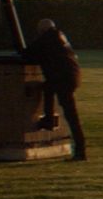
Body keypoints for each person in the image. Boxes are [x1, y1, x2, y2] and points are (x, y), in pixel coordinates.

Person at [24, 18, 87, 161]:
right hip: (72, 76)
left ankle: (80, 150)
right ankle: (48, 118)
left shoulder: (46, 38)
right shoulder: (60, 36)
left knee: (71, 115)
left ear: (42, 30)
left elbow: (28, 53)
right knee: (47, 88)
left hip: (62, 78)